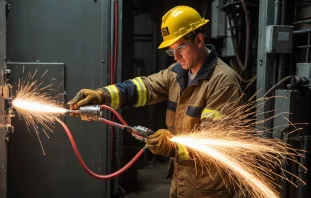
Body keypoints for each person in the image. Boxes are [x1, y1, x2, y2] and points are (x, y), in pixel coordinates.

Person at [68, 5, 242, 198]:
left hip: (209, 189)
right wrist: (102, 95)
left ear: (199, 40)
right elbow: (145, 87)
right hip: (182, 183)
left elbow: (213, 144)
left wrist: (173, 146)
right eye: (171, 51)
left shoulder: (223, 82)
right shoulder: (177, 73)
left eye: (180, 48)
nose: (175, 57)